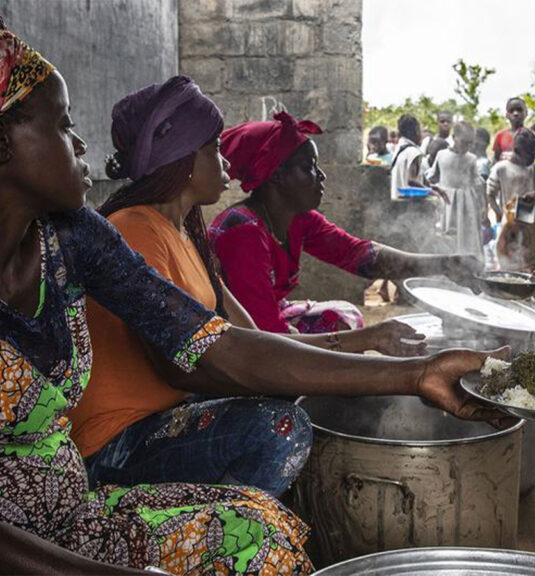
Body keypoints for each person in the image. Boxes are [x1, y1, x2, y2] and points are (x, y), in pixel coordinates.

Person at [0, 22, 508, 573]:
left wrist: (415, 374)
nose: (80, 145)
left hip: (73, 513)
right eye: (63, 124)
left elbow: (222, 346)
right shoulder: (163, 229)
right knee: (276, 426)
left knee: (262, 532)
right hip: (55, 519)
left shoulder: (76, 238)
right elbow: (189, 368)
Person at [69, 77, 427, 498]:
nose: (227, 164)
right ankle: (231, 528)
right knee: (279, 427)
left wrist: (370, 340)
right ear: (183, 158)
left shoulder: (185, 236)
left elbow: (256, 339)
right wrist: (395, 368)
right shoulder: (136, 230)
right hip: (116, 445)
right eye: (214, 148)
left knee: (295, 388)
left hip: (163, 419)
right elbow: (184, 365)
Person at [208, 112, 484, 335]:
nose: (322, 176)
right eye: (309, 168)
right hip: (235, 343)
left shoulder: (298, 219)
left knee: (341, 316)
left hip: (266, 327)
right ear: (277, 176)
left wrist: (445, 264)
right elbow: (267, 338)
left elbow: (361, 256)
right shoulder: (243, 234)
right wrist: (369, 342)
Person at [488, 128, 535, 271]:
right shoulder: (501, 169)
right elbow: (490, 194)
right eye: (529, 154)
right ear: (517, 149)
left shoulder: (533, 168)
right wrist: (499, 214)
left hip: (531, 223)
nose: (532, 158)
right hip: (509, 224)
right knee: (508, 259)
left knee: (531, 261)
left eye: (534, 154)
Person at [428, 121, 485, 259]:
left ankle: (468, 263)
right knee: (446, 234)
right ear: (454, 138)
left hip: (466, 205)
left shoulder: (471, 159)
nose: (468, 146)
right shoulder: (441, 155)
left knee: (466, 235)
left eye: (471, 143)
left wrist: (483, 206)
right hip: (446, 201)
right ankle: (446, 263)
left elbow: (478, 182)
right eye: (464, 142)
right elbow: (432, 176)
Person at [390, 113, 425, 200]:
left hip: (395, 202)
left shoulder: (398, 149)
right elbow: (412, 181)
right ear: (416, 132)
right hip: (410, 207)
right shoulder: (413, 152)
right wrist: (431, 191)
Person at [493, 97, 528, 163]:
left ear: (526, 113)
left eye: (519, 110)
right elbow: (496, 159)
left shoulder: (531, 135)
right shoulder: (500, 136)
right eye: (511, 111)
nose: (515, 113)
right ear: (507, 115)